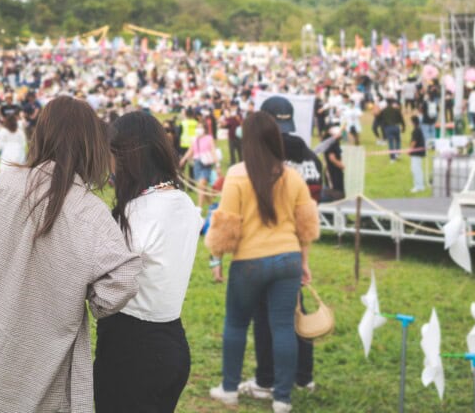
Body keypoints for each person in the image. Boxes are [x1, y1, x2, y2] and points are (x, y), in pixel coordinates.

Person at [0, 96, 142, 413]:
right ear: (92, 143)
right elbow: (121, 282)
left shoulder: (6, 183)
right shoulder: (87, 211)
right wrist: (86, 294)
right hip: (39, 376)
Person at [207, 111, 319, 412]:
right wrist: (305, 263)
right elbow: (306, 225)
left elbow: (226, 224)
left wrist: (215, 258)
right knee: (284, 326)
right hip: (289, 260)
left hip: (249, 263)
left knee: (236, 323)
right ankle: (282, 398)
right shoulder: (292, 176)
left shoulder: (236, 175)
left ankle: (229, 388)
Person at [94, 111, 202, 412]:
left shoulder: (137, 214)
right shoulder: (184, 201)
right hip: (171, 342)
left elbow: (103, 286)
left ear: (126, 157)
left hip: (131, 348)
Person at [180, 124, 218, 211]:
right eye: (197, 128)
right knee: (201, 187)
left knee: (201, 185)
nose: (198, 129)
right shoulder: (194, 139)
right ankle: (212, 205)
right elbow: (190, 151)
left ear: (204, 129)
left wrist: (217, 165)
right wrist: (183, 159)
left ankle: (199, 208)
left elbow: (213, 151)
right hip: (197, 164)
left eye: (200, 127)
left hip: (206, 163)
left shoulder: (209, 138)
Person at [409, 114, 427, 193]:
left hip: (416, 153)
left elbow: (414, 142)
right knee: (417, 169)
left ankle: (418, 186)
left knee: (416, 169)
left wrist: (410, 150)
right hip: (419, 153)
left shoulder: (416, 131)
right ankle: (420, 185)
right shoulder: (419, 130)